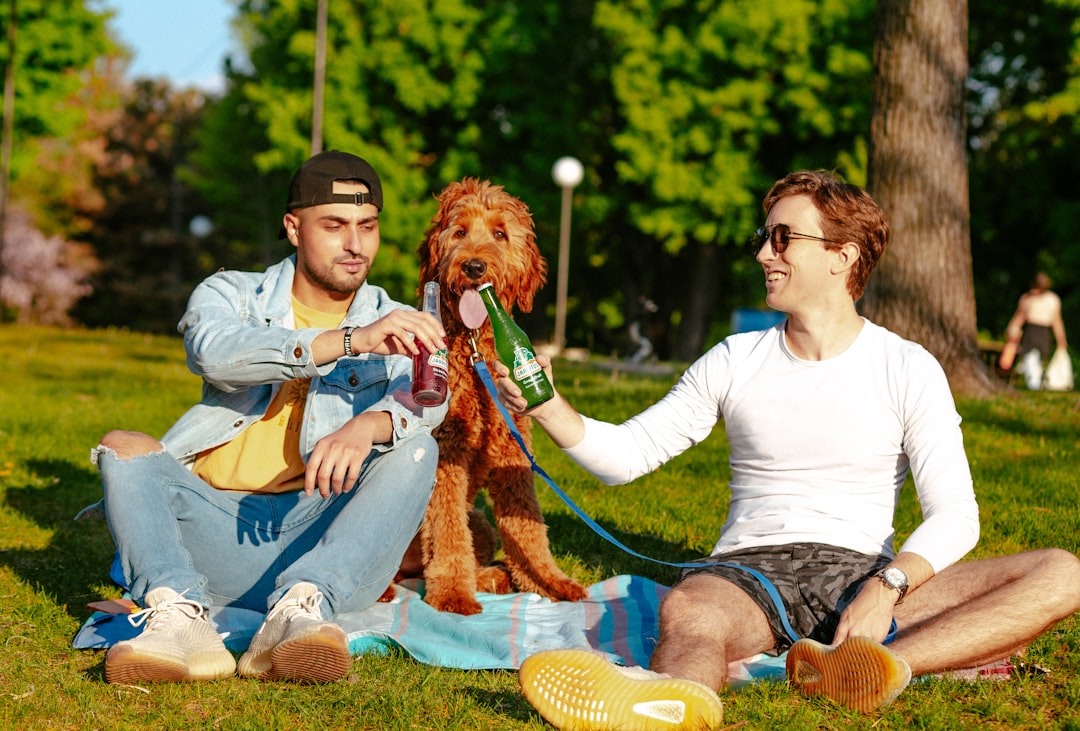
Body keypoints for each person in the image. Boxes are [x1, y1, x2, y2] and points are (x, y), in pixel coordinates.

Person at [500, 170, 1080, 729]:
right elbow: (625, 457)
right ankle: (673, 707)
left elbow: (956, 514)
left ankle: (870, 670)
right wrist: (547, 404)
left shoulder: (907, 366)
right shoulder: (734, 359)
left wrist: (885, 591)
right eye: (764, 238)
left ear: (842, 255)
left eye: (783, 238)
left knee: (1062, 574)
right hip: (749, 570)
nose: (763, 254)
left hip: (866, 574)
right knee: (691, 613)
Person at [87, 150, 449, 685]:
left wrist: (365, 426)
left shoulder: (395, 317)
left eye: (367, 227)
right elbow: (216, 353)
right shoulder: (231, 292)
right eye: (335, 226)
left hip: (325, 540)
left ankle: (300, 612)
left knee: (418, 446)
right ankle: (179, 618)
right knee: (123, 445)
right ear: (293, 228)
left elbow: (429, 400)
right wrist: (347, 341)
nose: (355, 245)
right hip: (212, 533)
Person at [997, 272, 1069, 389]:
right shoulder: (1027, 299)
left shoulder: (1052, 300)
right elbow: (1020, 317)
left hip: (1044, 332)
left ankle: (1034, 382)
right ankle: (1033, 384)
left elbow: (1057, 321)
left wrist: (1061, 339)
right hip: (1031, 332)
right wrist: (1011, 330)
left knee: (1037, 360)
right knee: (1030, 358)